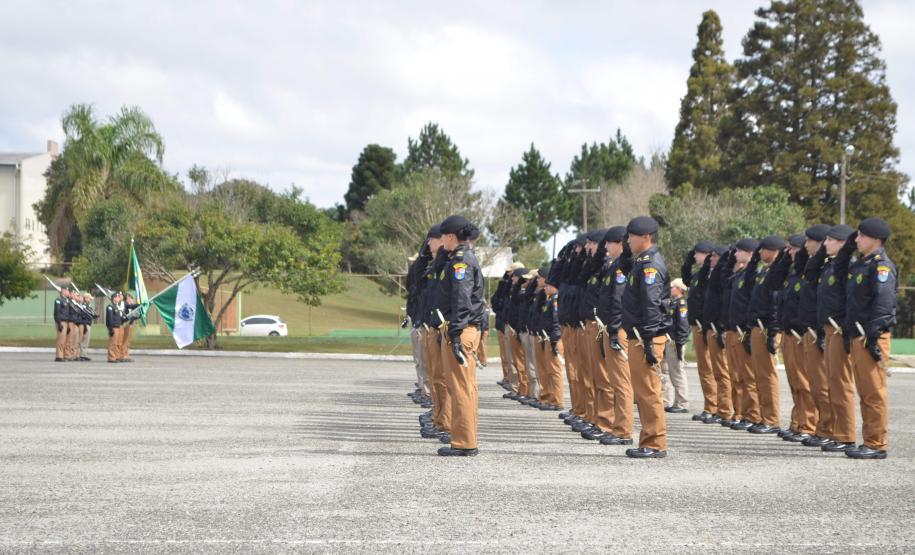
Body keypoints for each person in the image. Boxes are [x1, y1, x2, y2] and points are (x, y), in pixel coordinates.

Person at [844, 218, 896, 460]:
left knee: (874, 391)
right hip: (859, 335)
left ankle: (877, 443)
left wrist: (873, 336)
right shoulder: (862, 265)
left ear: (875, 239)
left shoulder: (881, 267)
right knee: (865, 391)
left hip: (870, 336)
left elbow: (884, 305)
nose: (857, 240)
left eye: (861, 236)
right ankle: (870, 440)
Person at [621, 216, 671, 459]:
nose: (628, 240)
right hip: (640, 336)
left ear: (646, 237)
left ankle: (655, 443)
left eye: (631, 236)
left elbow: (651, 304)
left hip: (645, 337)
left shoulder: (650, 264)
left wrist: (650, 339)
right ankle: (648, 440)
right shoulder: (639, 263)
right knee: (643, 392)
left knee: (649, 392)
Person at [437, 214, 484, 457]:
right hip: (464, 328)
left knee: (461, 388)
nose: (441, 241)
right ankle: (465, 438)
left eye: (444, 236)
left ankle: (465, 442)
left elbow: (461, 299)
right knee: (464, 387)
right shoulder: (461, 257)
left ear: (451, 236)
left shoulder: (461, 261)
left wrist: (455, 334)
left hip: (461, 330)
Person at [809, 224, 858, 452]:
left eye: (830, 240)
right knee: (832, 383)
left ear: (843, 243)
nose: (825, 244)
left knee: (841, 384)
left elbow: (851, 301)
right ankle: (835, 433)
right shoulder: (829, 266)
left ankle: (845, 435)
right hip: (828, 329)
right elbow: (809, 271)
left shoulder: (848, 267)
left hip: (840, 330)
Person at [595, 226, 635, 446]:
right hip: (610, 327)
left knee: (621, 383)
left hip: (617, 329)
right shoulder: (614, 266)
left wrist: (614, 330)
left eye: (609, 243)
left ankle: (623, 430)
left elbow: (619, 301)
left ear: (620, 244)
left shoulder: (620, 270)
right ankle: (615, 426)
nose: (606, 247)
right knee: (614, 381)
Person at [744, 235, 787, 434]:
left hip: (767, 328)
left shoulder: (778, 273)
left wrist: (773, 332)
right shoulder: (764, 271)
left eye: (763, 249)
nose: (759, 253)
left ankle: (771, 419)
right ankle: (763, 416)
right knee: (760, 376)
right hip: (757, 327)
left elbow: (775, 304)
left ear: (775, 251)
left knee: (768, 376)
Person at [795, 224, 832, 445]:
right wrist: (808, 253)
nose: (805, 245)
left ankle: (831, 430)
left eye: (810, 241)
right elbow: (803, 269)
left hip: (822, 330)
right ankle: (822, 428)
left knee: (826, 385)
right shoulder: (815, 267)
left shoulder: (831, 267)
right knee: (814, 385)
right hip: (809, 329)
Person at [724, 239, 761, 431]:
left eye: (739, 251)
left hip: (743, 330)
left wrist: (747, 330)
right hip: (733, 329)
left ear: (749, 253)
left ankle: (753, 414)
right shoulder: (738, 274)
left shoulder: (752, 275)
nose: (735, 254)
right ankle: (739, 412)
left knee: (748, 376)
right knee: (736, 375)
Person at [681, 241, 716, 420]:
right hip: (697, 325)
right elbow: (686, 279)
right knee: (704, 368)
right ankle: (710, 405)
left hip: (705, 325)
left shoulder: (712, 275)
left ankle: (714, 407)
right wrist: (687, 263)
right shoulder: (698, 275)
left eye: (698, 254)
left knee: (710, 367)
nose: (695, 257)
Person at [702, 245, 733, 425]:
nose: (711, 259)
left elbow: (723, 303)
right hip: (711, 327)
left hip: (719, 327)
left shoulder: (724, 277)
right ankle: (720, 408)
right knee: (716, 372)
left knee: (723, 372)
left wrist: (721, 328)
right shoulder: (714, 277)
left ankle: (726, 409)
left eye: (714, 257)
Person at [533, 265, 564, 410]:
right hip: (547, 337)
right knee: (548, 370)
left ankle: (557, 400)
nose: (545, 287)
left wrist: (554, 339)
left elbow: (556, 321)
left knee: (554, 370)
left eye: (547, 285)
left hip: (553, 339)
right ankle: (551, 398)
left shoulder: (556, 300)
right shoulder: (549, 299)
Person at [662, 278, 690, 414]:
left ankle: (682, 402)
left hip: (675, 341)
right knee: (666, 372)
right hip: (667, 340)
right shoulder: (671, 303)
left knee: (677, 372)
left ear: (680, 289)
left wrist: (680, 342)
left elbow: (683, 325)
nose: (670, 289)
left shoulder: (682, 304)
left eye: (672, 287)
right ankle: (667, 400)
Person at [77, 292, 97, 361]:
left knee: (86, 340)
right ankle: (79, 354)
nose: (90, 300)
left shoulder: (88, 306)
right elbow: (83, 315)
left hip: (88, 323)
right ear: (85, 298)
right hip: (84, 323)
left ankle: (84, 354)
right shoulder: (83, 306)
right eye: (89, 298)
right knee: (82, 339)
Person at [106, 292, 124, 363]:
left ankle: (115, 356)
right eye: (117, 297)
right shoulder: (110, 307)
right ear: (114, 298)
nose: (118, 298)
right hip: (113, 327)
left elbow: (120, 318)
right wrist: (110, 329)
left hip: (118, 326)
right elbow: (109, 319)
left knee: (116, 343)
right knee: (112, 343)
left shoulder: (117, 307)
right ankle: (111, 357)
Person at [53, 287, 70, 362]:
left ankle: (62, 355)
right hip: (61, 321)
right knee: (60, 340)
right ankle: (59, 356)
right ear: (63, 291)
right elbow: (57, 312)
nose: (68, 292)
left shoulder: (65, 300)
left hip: (66, 321)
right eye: (67, 291)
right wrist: (59, 323)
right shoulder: (58, 300)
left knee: (64, 340)